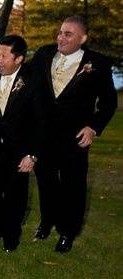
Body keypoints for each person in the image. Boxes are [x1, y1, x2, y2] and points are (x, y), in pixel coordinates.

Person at [29, 16, 118, 253]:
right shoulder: (44, 54)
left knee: (73, 186)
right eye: (60, 32)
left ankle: (68, 232)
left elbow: (108, 103)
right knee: (46, 182)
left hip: (75, 137)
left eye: (68, 34)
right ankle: (47, 222)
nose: (61, 38)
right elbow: (25, 75)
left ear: (83, 38)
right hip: (44, 135)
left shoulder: (97, 63)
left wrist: (93, 127)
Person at [0, 35, 42, 252]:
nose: (0, 59)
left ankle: (11, 238)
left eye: (5, 56)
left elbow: (39, 122)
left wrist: (32, 154)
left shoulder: (32, 81)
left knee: (16, 196)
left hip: (20, 151)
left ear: (19, 59)